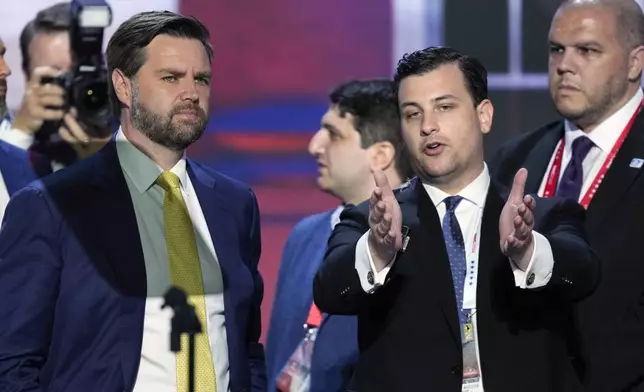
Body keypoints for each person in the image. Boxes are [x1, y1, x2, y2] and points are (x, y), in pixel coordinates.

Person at [0, 11, 265, 392]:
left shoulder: (236, 204)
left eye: (201, 79)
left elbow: (246, 345)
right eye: (171, 78)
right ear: (123, 87)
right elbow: (13, 362)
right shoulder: (50, 206)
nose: (192, 92)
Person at [313, 46, 600, 392]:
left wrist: (526, 252)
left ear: (484, 115)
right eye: (412, 114)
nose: (428, 127)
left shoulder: (542, 216)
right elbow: (330, 291)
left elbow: (584, 274)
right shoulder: (369, 221)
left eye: (444, 107)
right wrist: (377, 250)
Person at [489, 0, 644, 390]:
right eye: (556, 49)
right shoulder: (517, 157)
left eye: (587, 50)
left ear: (635, 63)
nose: (564, 65)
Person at [266, 79, 413, 392]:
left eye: (333, 134)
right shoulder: (304, 235)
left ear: (380, 155)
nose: (314, 145)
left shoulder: (415, 240)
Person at [3, 2, 112, 173]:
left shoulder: (132, 131)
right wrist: (19, 136)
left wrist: (111, 161)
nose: (71, 88)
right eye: (56, 77)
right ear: (27, 76)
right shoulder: (11, 135)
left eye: (79, 75)